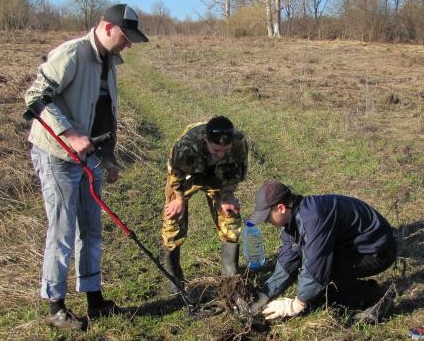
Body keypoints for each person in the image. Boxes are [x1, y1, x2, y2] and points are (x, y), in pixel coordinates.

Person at [25, 4, 149, 330]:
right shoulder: (73, 54)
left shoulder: (109, 64)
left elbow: (105, 112)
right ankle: (56, 308)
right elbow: (35, 97)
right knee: (63, 231)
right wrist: (70, 133)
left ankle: (95, 299)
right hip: (56, 155)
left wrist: (107, 158)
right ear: (107, 27)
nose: (129, 44)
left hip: (89, 159)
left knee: (91, 231)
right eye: (126, 36)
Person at [247, 180, 397, 321]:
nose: (266, 221)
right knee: (318, 282)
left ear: (280, 208)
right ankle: (343, 294)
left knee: (327, 267)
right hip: (354, 246)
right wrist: (265, 294)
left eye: (267, 217)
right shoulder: (291, 224)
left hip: (378, 249)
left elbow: (316, 266)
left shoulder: (313, 218)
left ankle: (375, 299)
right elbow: (288, 261)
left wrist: (296, 304)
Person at [162, 116, 248, 293]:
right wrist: (179, 199)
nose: (221, 154)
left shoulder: (239, 142)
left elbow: (237, 174)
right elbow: (175, 173)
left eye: (226, 150)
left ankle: (230, 278)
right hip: (187, 177)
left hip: (218, 178)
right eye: (216, 150)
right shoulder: (186, 146)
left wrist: (226, 196)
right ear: (205, 141)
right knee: (173, 220)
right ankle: (175, 278)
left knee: (230, 218)